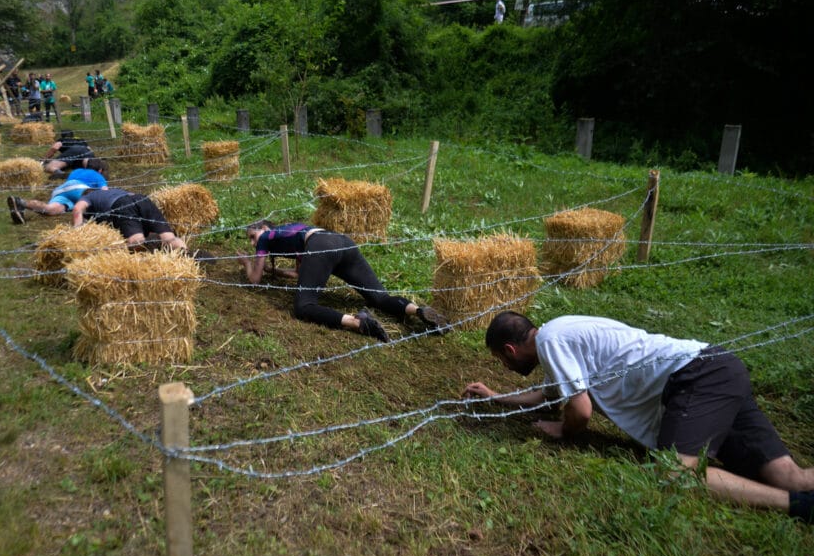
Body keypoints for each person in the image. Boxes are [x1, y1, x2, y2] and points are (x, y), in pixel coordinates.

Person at [462, 311, 814, 523]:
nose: (504, 367)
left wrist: (564, 430)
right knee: (791, 475)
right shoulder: (559, 331)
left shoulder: (552, 342)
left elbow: (580, 412)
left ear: (509, 350)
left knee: (675, 473)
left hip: (694, 378)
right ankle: (799, 493)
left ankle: (799, 507)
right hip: (719, 367)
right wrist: (496, 397)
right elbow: (549, 394)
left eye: (500, 361)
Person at [237, 221, 449, 342]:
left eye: (252, 236)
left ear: (264, 228)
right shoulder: (291, 232)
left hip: (321, 246)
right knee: (380, 297)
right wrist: (271, 269)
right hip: (341, 242)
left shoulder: (267, 237)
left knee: (303, 306)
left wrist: (247, 263)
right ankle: (418, 311)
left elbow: (255, 280)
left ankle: (359, 322)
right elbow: (297, 274)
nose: (253, 241)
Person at [72, 186, 189, 253]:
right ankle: (187, 255)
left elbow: (77, 209)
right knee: (169, 237)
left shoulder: (88, 196)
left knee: (136, 241)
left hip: (122, 204)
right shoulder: (112, 190)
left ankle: (148, 251)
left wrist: (78, 231)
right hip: (142, 199)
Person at [7, 158, 108, 224]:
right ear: (100, 170)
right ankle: (85, 221)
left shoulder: (77, 171)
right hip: (79, 188)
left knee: (51, 209)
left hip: (61, 190)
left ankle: (22, 203)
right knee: (94, 199)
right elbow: (105, 191)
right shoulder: (98, 175)